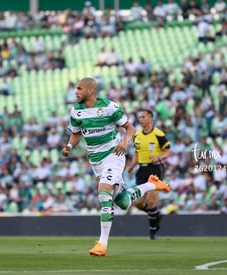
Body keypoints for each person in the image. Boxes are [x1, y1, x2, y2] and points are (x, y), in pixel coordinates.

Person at [62, 78, 170, 256]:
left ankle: (102, 244)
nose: (76, 92)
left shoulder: (109, 107)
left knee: (104, 192)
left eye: (79, 89)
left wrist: (125, 142)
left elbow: (130, 128)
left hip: (114, 155)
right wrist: (69, 146)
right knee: (123, 201)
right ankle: (153, 184)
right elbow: (76, 134)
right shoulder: (76, 111)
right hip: (96, 161)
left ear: (90, 91)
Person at [126, 109, 171, 240]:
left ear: (151, 118)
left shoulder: (158, 134)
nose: (141, 119)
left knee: (151, 201)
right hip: (142, 169)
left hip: (155, 169)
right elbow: (137, 153)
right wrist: (131, 167)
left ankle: (153, 232)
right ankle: (156, 215)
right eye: (140, 117)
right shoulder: (137, 135)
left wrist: (159, 157)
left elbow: (168, 151)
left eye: (144, 117)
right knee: (138, 203)